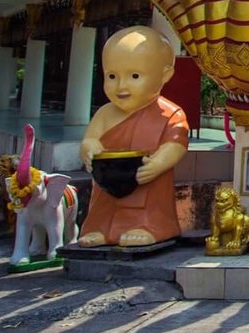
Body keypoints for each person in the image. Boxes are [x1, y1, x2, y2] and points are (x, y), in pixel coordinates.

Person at [76, 26, 188, 247]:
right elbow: (90, 139)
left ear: (165, 75)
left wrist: (157, 164)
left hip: (145, 177)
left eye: (135, 76)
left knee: (148, 201)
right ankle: (100, 229)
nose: (121, 86)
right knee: (103, 203)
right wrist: (89, 149)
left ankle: (151, 227)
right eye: (112, 76)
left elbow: (176, 144)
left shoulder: (170, 113)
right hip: (108, 179)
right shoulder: (105, 113)